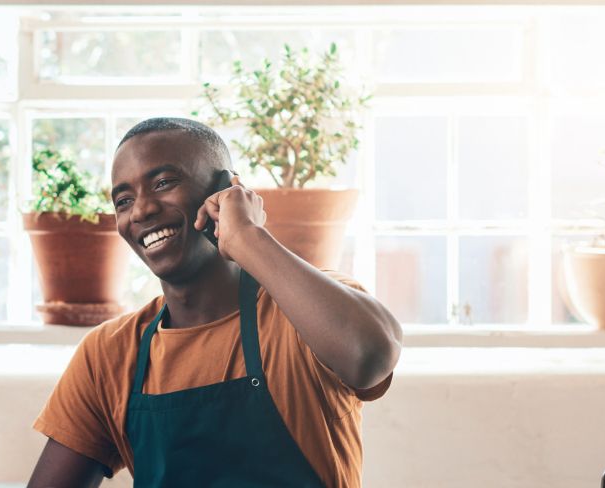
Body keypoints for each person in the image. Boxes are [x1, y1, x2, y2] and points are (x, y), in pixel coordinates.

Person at [28, 117, 402, 488]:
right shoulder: (108, 355)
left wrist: (247, 237)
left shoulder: (305, 313)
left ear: (226, 189)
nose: (140, 211)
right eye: (124, 200)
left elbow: (370, 357)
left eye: (163, 183)